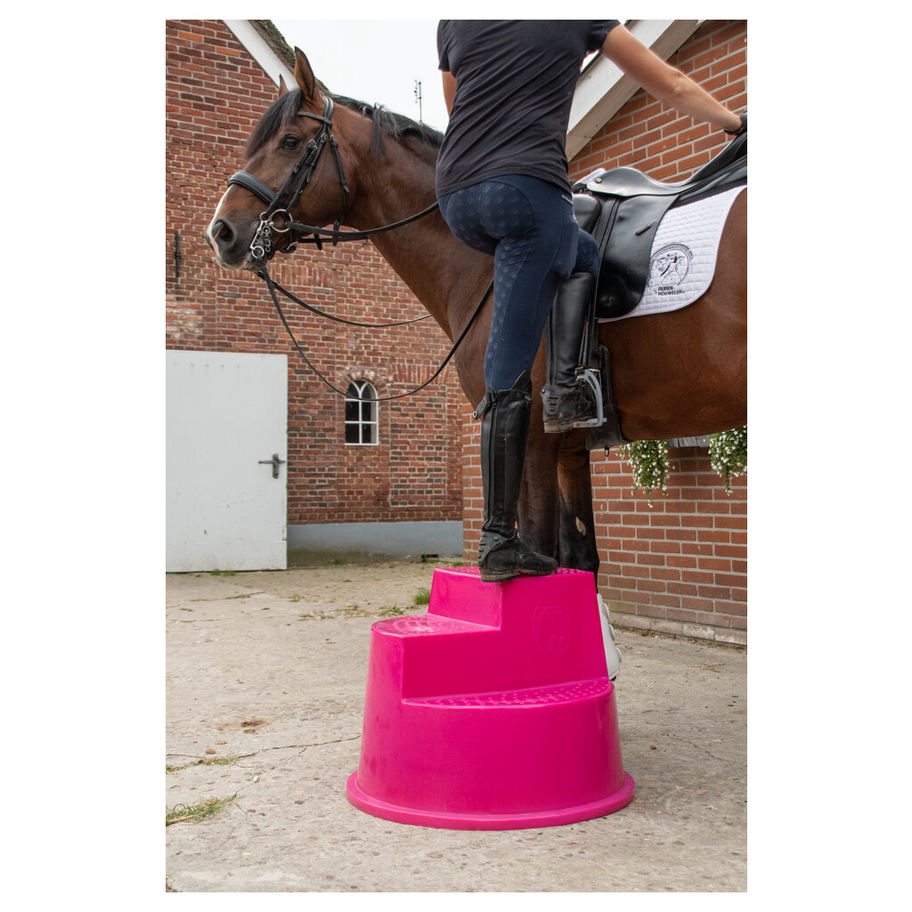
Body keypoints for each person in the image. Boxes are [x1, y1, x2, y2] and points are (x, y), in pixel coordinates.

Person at [435, 20, 744, 583]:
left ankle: (566, 385)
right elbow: (670, 83)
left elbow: (458, 107)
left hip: (456, 195)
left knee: (579, 254)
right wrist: (735, 123)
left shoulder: (452, 19)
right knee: (506, 369)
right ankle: (498, 538)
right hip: (526, 193)